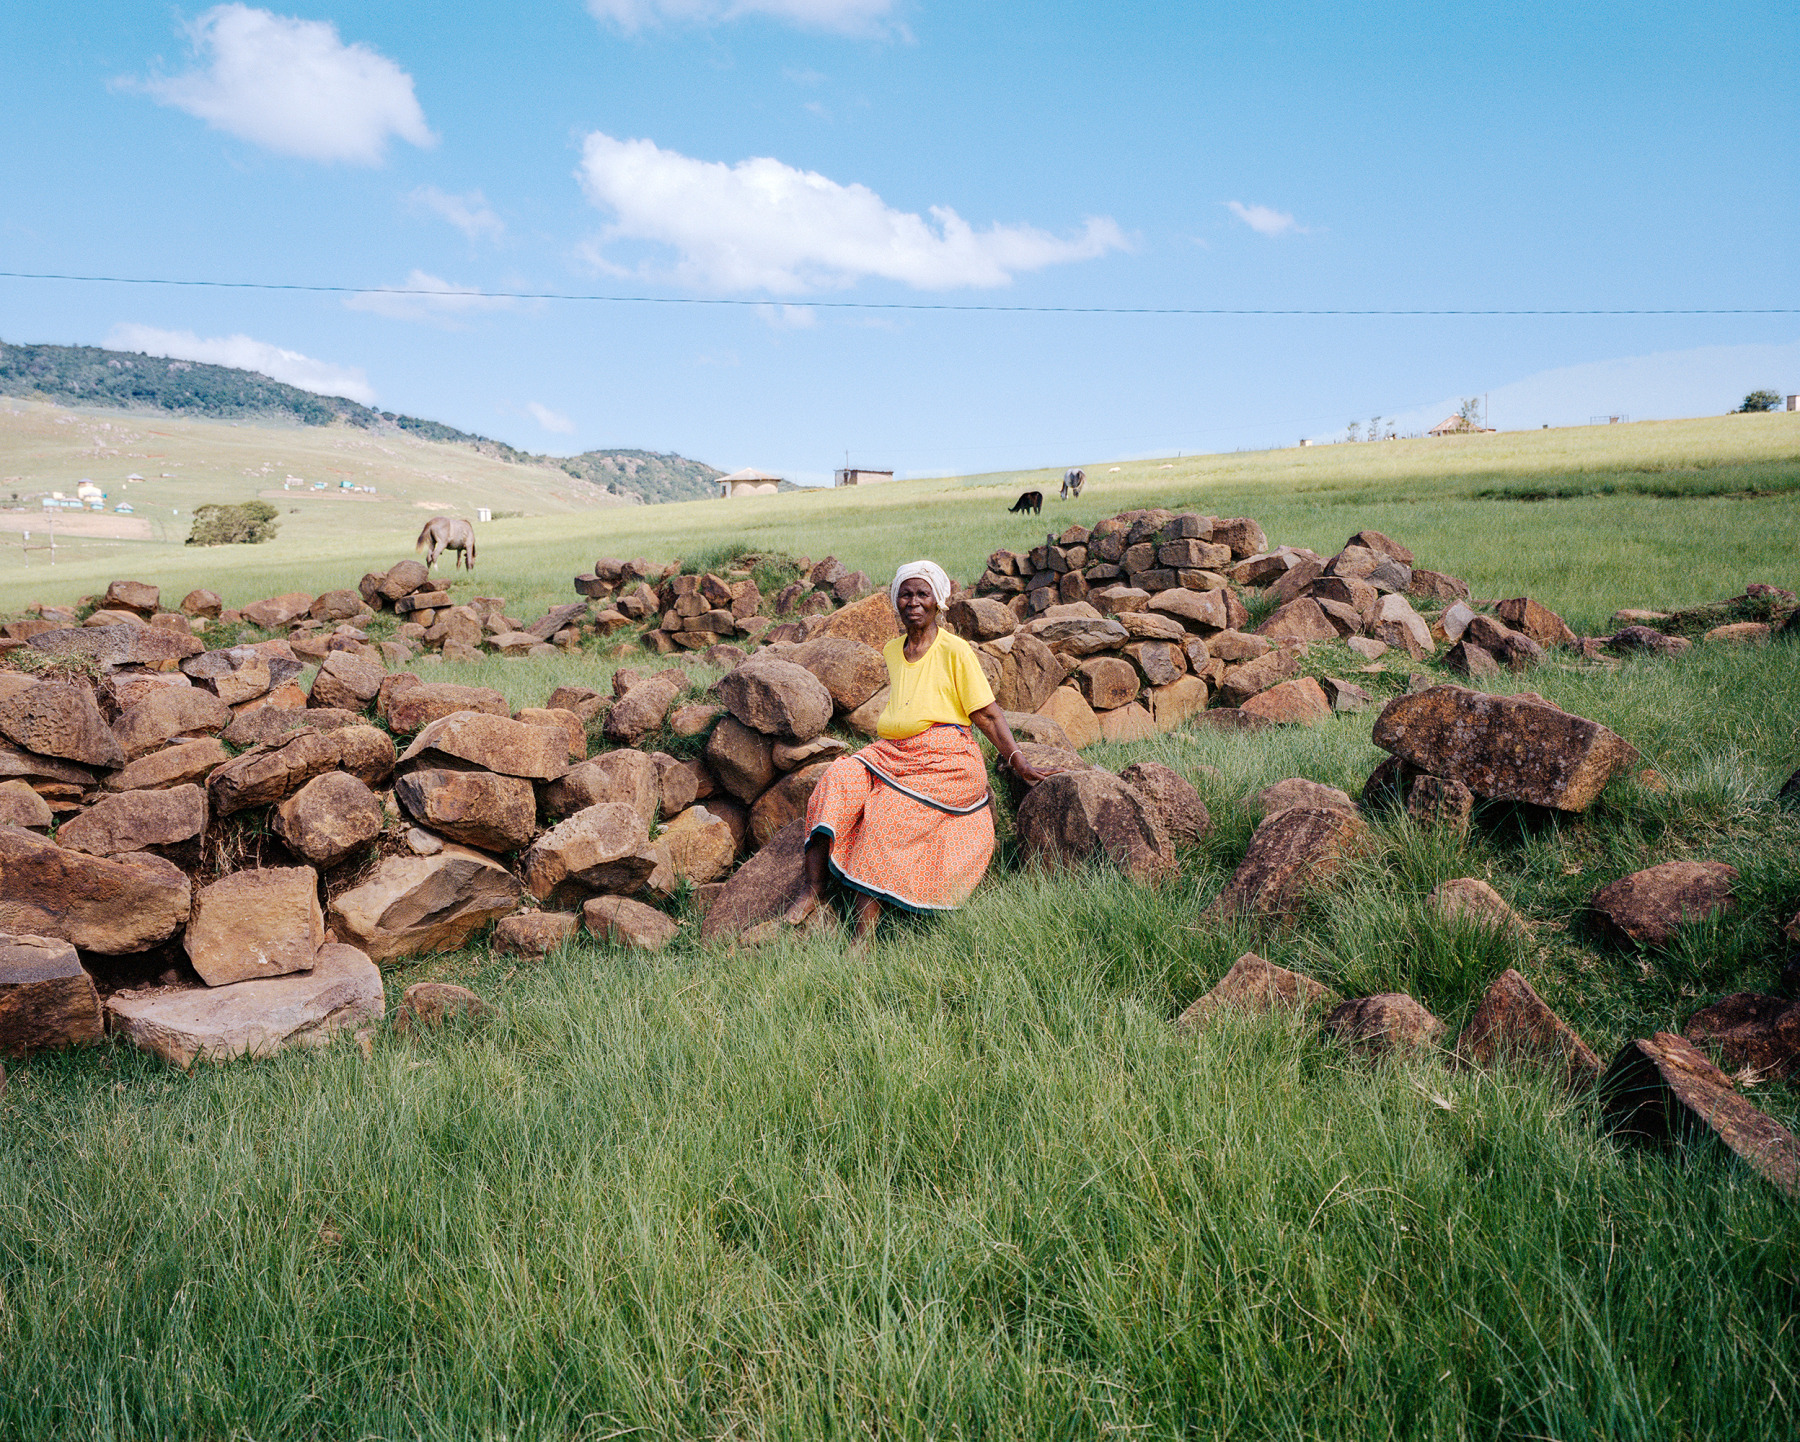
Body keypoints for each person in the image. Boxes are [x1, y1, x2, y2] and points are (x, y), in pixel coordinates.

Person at [786, 560, 1053, 943]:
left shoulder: (955, 650)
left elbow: (989, 715)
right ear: (897, 601)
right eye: (906, 594)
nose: (913, 601)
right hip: (891, 753)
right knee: (837, 778)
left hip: (945, 759)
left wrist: (1018, 761)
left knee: (885, 816)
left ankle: (863, 939)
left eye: (922, 594)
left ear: (938, 601)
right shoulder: (893, 650)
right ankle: (812, 889)